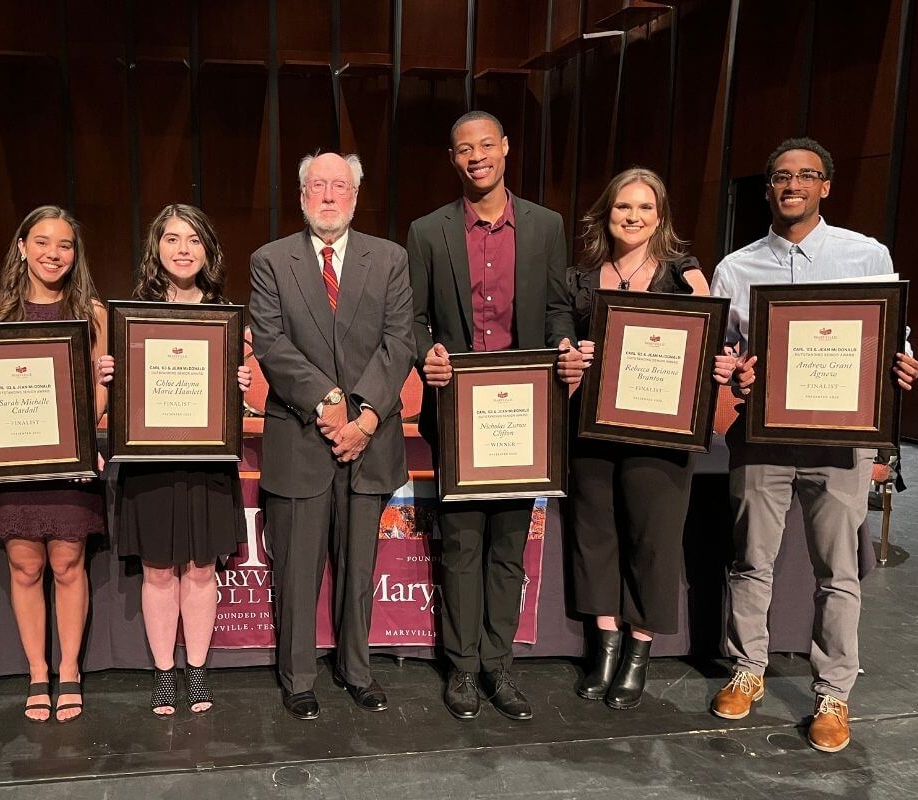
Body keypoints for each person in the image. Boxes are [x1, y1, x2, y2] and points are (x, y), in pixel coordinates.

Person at [709, 137, 918, 752]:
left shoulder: (866, 255)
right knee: (752, 560)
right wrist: (735, 370)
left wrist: (902, 363)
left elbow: (892, 336)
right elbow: (724, 352)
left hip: (840, 442)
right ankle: (746, 670)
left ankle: (833, 694)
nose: (792, 184)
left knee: (840, 570)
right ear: (768, 187)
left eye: (806, 175)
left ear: (826, 185)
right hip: (762, 439)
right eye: (780, 175)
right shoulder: (736, 267)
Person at [407, 110, 588, 720]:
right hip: (458, 416)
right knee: (460, 546)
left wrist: (563, 347)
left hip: (524, 419)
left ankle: (498, 666)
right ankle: (461, 669)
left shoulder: (545, 226)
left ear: (506, 149)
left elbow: (560, 308)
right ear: (452, 159)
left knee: (510, 548)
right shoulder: (428, 231)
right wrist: (423, 352)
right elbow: (413, 317)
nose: (475, 156)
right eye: (463, 149)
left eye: (486, 145)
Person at [249, 151, 416, 720]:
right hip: (300, 437)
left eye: (339, 186)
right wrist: (329, 403)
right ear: (300, 196)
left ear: (355, 195)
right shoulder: (270, 261)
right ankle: (297, 678)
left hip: (369, 439)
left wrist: (364, 419)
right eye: (316, 185)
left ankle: (356, 669)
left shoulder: (390, 259)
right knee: (297, 571)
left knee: (359, 570)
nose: (327, 195)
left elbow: (400, 343)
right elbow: (271, 343)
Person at [565, 167, 739, 709]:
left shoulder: (685, 276)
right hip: (592, 433)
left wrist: (718, 365)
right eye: (623, 207)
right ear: (607, 213)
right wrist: (572, 356)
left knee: (652, 539)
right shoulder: (582, 277)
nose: (632, 217)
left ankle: (638, 653)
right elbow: (563, 345)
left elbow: (712, 348)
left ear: (659, 217)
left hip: (661, 438)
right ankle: (606, 647)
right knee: (596, 536)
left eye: (644, 208)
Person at [96, 204, 250, 716]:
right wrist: (112, 371)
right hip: (150, 457)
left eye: (193, 239)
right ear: (156, 249)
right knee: (159, 570)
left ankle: (199, 672)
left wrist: (238, 384)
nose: (182, 249)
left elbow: (233, 402)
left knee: (202, 568)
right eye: (171, 239)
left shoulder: (227, 316)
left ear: (208, 250)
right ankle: (166, 674)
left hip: (207, 457)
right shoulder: (132, 315)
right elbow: (114, 399)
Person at [0, 205, 108, 723]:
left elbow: (101, 387)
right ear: (23, 247)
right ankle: (37, 672)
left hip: (70, 457)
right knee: (26, 565)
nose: (54, 254)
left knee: (67, 564)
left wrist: (78, 434)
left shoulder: (91, 313)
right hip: (14, 458)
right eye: (44, 242)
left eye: (66, 245)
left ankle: (69, 671)